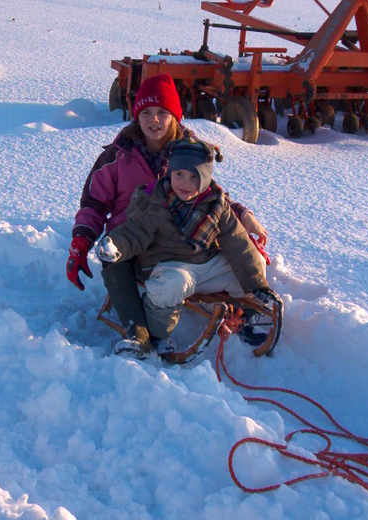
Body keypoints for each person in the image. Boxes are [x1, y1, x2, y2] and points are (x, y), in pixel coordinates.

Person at [66, 73, 268, 347]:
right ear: (136, 115)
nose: (154, 120)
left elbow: (211, 194)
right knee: (114, 258)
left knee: (237, 252)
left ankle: (243, 313)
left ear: (175, 115)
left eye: (163, 112)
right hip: (133, 239)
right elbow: (93, 203)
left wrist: (244, 215)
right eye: (146, 112)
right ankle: (137, 332)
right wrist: (81, 240)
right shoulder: (117, 156)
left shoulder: (190, 150)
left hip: (180, 239)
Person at [95, 135, 274, 359]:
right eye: (179, 174)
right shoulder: (155, 201)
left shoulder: (216, 204)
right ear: (170, 172)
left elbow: (237, 241)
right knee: (170, 286)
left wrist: (257, 283)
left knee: (252, 261)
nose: (185, 184)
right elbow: (135, 232)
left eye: (194, 177)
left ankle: (242, 316)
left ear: (206, 179)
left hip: (207, 263)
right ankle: (158, 334)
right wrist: (116, 244)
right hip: (172, 265)